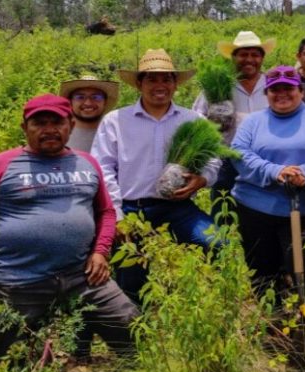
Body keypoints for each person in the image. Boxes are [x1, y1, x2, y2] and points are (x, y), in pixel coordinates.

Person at [0, 95, 138, 372]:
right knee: (5, 368)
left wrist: (101, 251)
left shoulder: (86, 163)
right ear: (25, 127)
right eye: (40, 122)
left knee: (133, 329)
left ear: (71, 124)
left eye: (57, 122)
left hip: (82, 276)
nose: (49, 129)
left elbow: (105, 212)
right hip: (21, 279)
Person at [91, 49, 220, 303]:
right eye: (151, 79)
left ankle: (202, 301)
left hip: (178, 207)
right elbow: (103, 170)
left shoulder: (193, 120)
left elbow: (213, 159)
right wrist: (116, 216)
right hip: (131, 209)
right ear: (139, 83)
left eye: (166, 79)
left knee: (219, 244)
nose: (159, 86)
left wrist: (202, 179)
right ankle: (135, 329)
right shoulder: (115, 121)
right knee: (131, 278)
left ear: (175, 84)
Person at [230, 66, 305, 303]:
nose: (282, 94)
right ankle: (272, 323)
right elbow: (239, 152)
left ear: (301, 91)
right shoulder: (253, 121)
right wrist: (275, 171)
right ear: (267, 93)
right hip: (256, 209)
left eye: (288, 88)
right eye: (275, 89)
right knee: (262, 271)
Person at [192, 31, 276, 217]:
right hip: (227, 160)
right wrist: (212, 126)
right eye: (243, 54)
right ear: (233, 57)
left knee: (262, 215)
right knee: (223, 213)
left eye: (255, 54)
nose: (249, 60)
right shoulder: (218, 84)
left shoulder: (272, 84)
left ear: (262, 58)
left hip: (266, 159)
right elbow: (197, 118)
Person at [59, 75, 119, 152]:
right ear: (70, 102)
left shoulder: (116, 131)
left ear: (105, 102)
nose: (88, 103)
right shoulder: (59, 133)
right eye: (80, 97)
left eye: (96, 97)